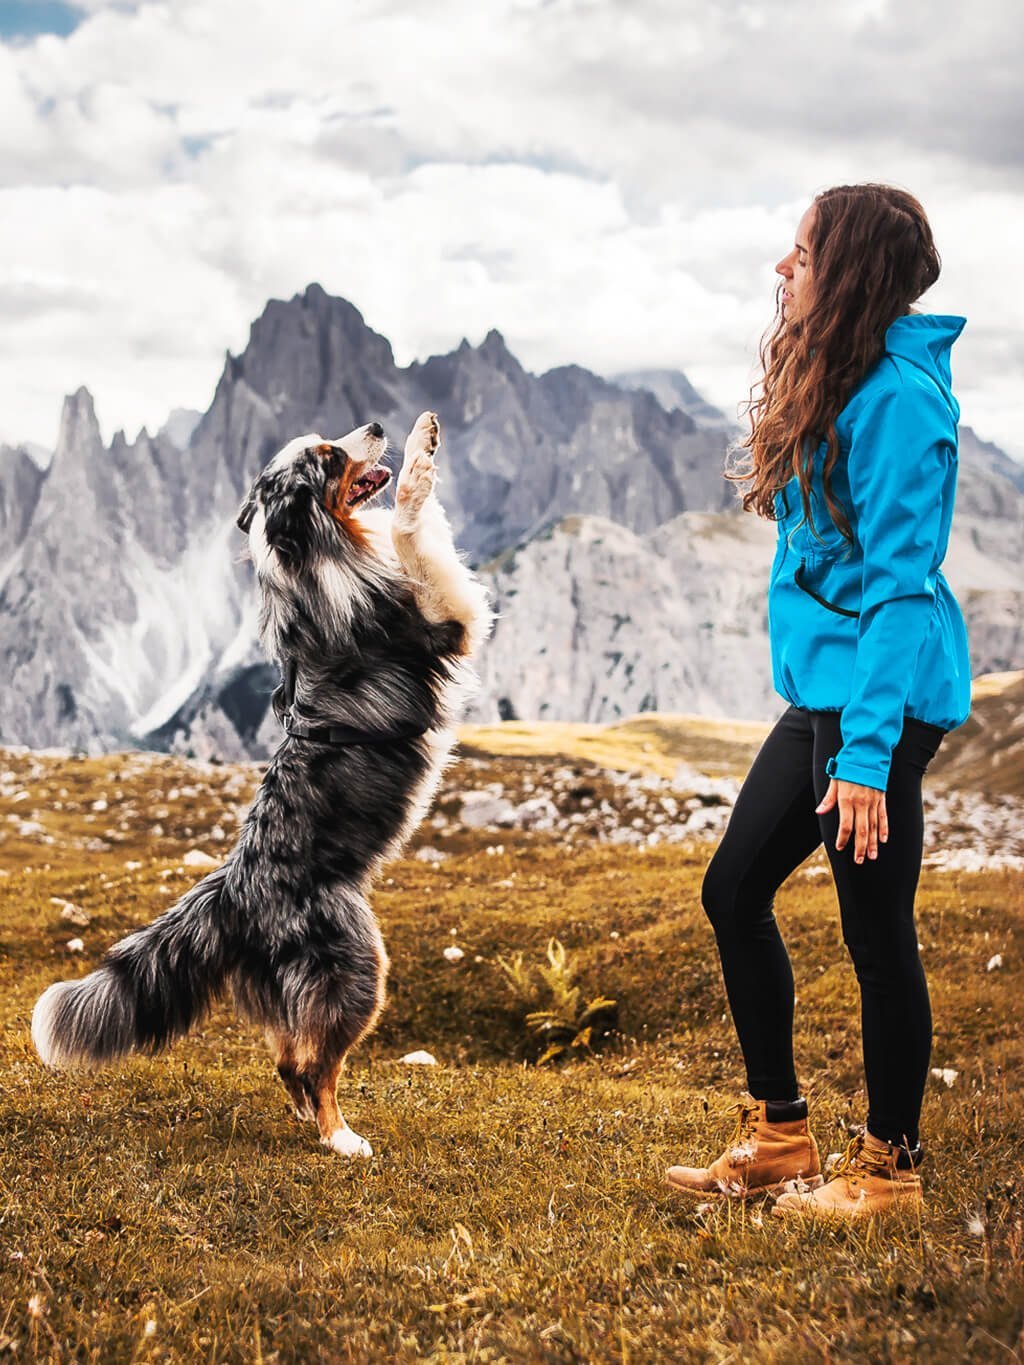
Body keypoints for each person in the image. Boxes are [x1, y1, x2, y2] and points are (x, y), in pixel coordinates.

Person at [665, 184, 972, 1219]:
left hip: (876, 707)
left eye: (799, 255)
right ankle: (780, 1138)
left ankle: (888, 1171)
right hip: (828, 699)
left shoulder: (899, 405)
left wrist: (867, 756)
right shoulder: (844, 382)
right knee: (733, 890)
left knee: (875, 932)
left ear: (844, 273)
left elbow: (897, 589)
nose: (781, 271)